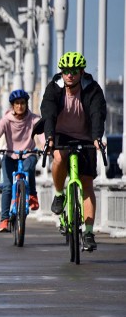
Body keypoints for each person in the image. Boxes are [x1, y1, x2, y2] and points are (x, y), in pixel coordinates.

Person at [40, 51, 107, 251]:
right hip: (60, 135)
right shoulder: (54, 88)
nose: (70, 75)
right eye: (66, 71)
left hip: (86, 137)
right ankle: (59, 194)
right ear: (61, 72)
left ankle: (88, 232)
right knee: (59, 157)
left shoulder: (92, 89)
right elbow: (48, 113)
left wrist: (97, 137)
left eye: (74, 71)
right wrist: (49, 137)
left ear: (81, 72)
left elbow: (98, 113)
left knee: (87, 184)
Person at [0, 89, 42, 233]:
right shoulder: (6, 120)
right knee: (8, 187)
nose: (20, 106)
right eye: (17, 103)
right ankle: (4, 220)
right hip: (10, 155)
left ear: (26, 104)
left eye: (23, 103)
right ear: (12, 105)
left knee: (29, 169)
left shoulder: (34, 119)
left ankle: (33, 195)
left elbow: (42, 135)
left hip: (29, 153)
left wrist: (46, 145)